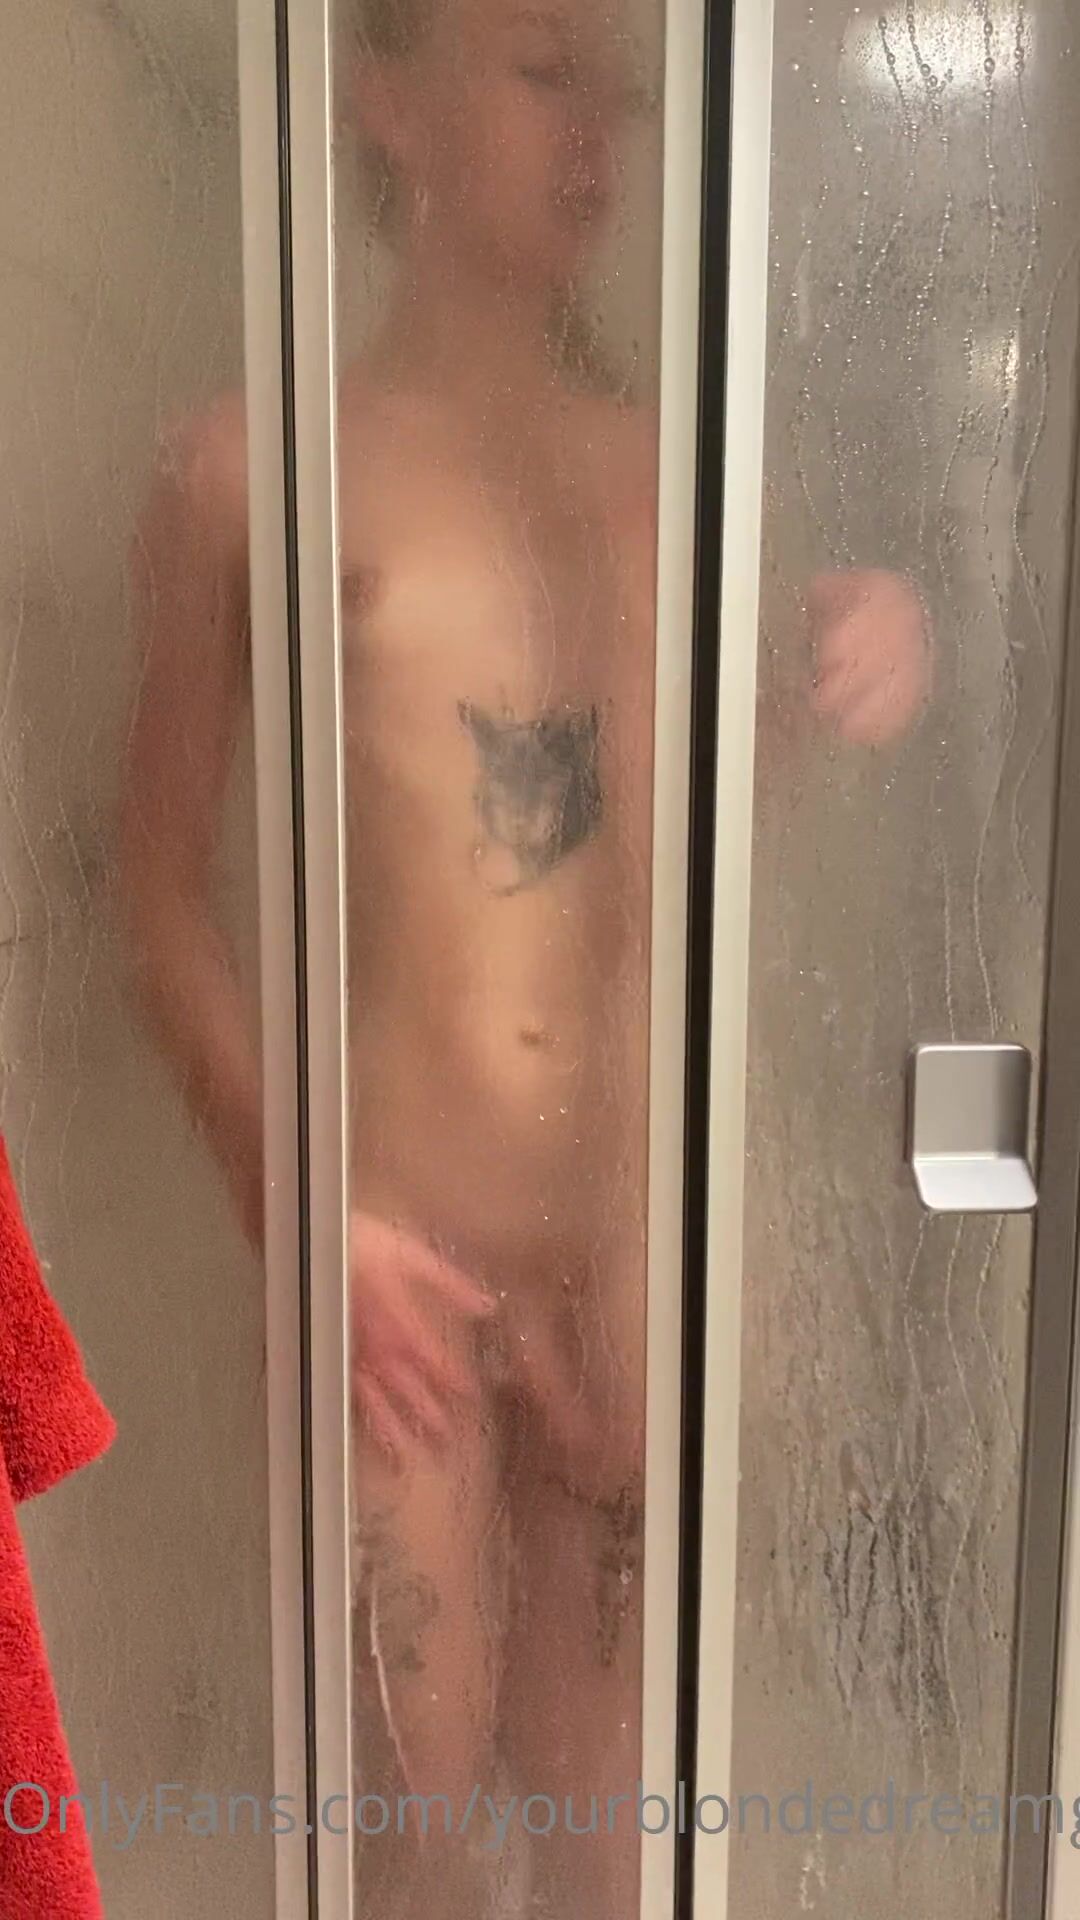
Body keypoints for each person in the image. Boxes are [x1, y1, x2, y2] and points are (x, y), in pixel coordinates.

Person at [118, 0, 930, 1911]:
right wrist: (296, 1208)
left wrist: (858, 651)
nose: (602, 131)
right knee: (404, 1847)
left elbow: (666, 844)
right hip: (400, 1273)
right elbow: (149, 896)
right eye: (542, 72)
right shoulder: (254, 467)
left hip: (626, 1258)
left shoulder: (677, 472)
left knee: (611, 1846)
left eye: (617, 88)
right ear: (386, 106)